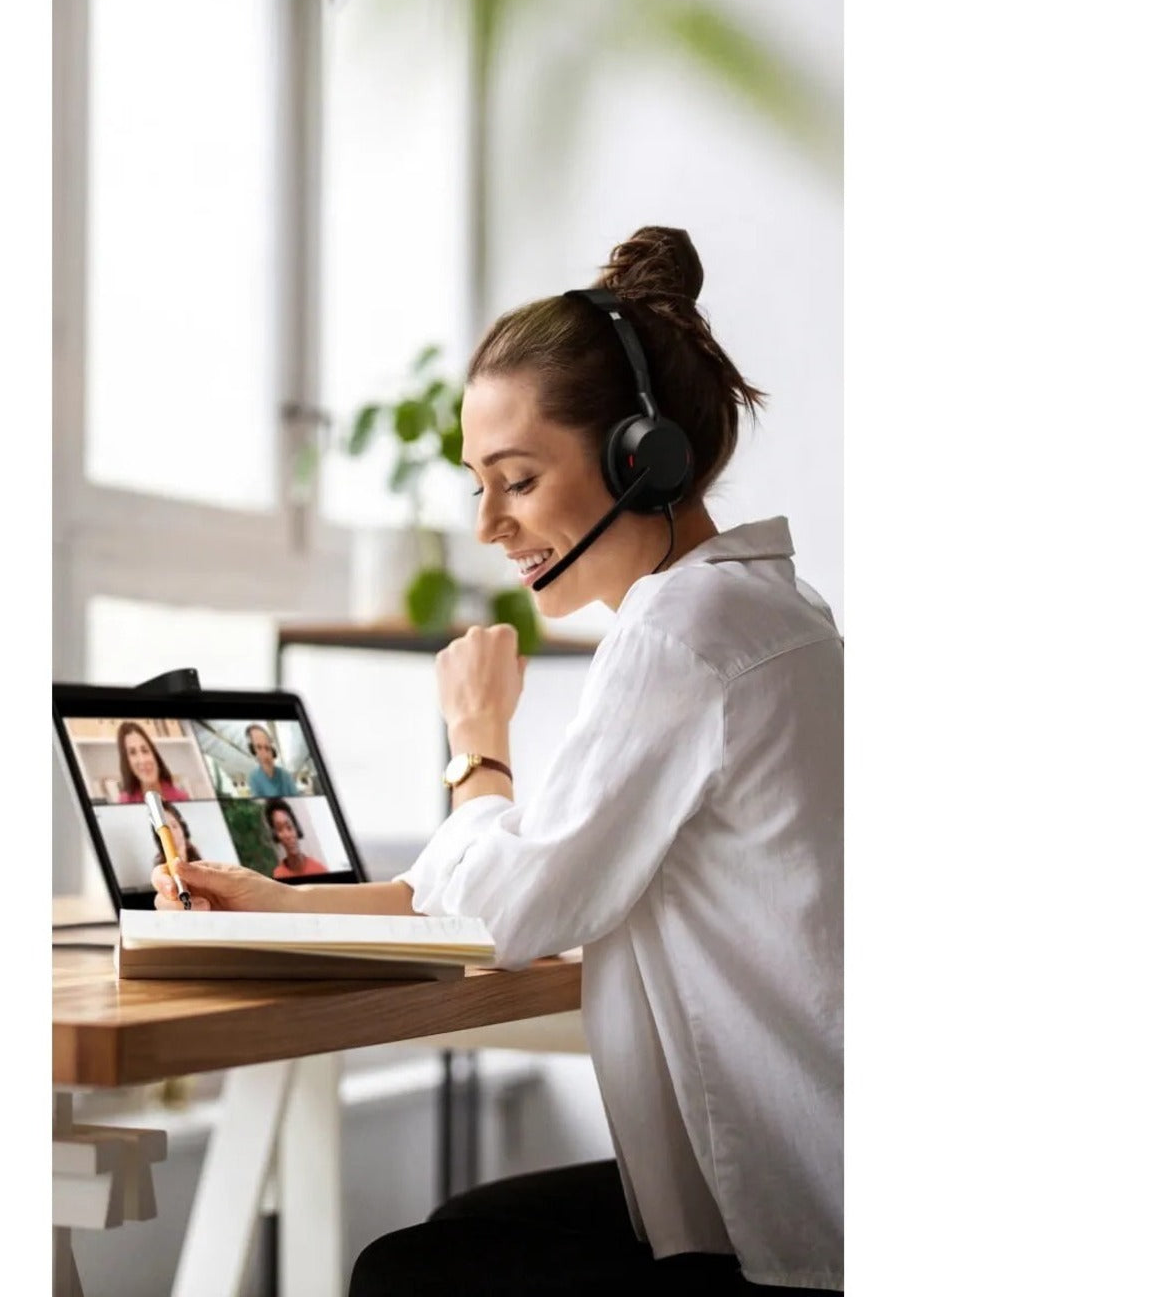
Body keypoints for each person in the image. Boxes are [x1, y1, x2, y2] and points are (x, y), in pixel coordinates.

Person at [153, 226, 843, 1295]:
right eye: (478, 484)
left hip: (787, 1231)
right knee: (453, 1234)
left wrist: (478, 742)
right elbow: (502, 877)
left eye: (514, 480)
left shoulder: (678, 638)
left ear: (639, 458)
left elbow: (504, 914)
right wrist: (266, 901)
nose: (488, 525)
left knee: (412, 1270)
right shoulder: (766, 610)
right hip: (827, 1183)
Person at [115, 721, 189, 804]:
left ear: (154, 754)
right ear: (127, 763)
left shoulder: (182, 799)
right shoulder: (125, 803)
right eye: (133, 753)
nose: (142, 760)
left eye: (145, 750)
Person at [264, 798, 328, 879]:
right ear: (276, 836)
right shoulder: (278, 875)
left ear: (296, 828)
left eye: (289, 827)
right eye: (279, 829)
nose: (287, 835)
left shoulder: (320, 870)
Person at [244, 723, 299, 798]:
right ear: (253, 750)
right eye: (259, 747)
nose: (265, 754)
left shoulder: (286, 776)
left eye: (267, 748)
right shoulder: (253, 778)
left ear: (272, 750)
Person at [149, 800, 201, 870]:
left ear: (182, 828)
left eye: (174, 826)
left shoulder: (200, 863)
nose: (171, 833)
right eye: (165, 829)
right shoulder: (161, 870)